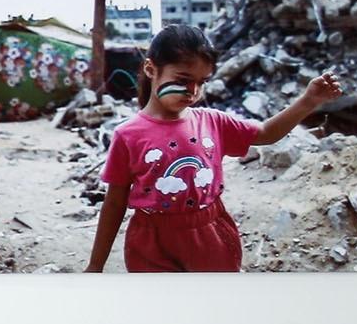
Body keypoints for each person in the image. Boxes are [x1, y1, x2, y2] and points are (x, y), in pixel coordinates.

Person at [86, 24, 341, 273]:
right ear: (151, 69)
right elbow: (114, 203)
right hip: (151, 241)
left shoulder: (212, 121)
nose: (193, 91)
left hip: (210, 235)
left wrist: (308, 101)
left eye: (202, 81)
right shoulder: (128, 135)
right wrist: (95, 265)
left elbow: (266, 133)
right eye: (183, 80)